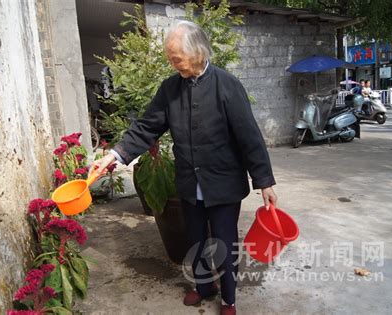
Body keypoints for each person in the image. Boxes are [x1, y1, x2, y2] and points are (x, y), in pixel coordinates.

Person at [90, 21, 278, 315]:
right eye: (170, 58)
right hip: (190, 182)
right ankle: (204, 287)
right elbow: (147, 127)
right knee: (197, 240)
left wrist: (264, 180)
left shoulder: (227, 86)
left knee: (224, 244)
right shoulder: (170, 89)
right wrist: (115, 154)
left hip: (224, 184)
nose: (172, 64)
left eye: (176, 58)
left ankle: (229, 298)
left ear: (198, 52)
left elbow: (249, 137)